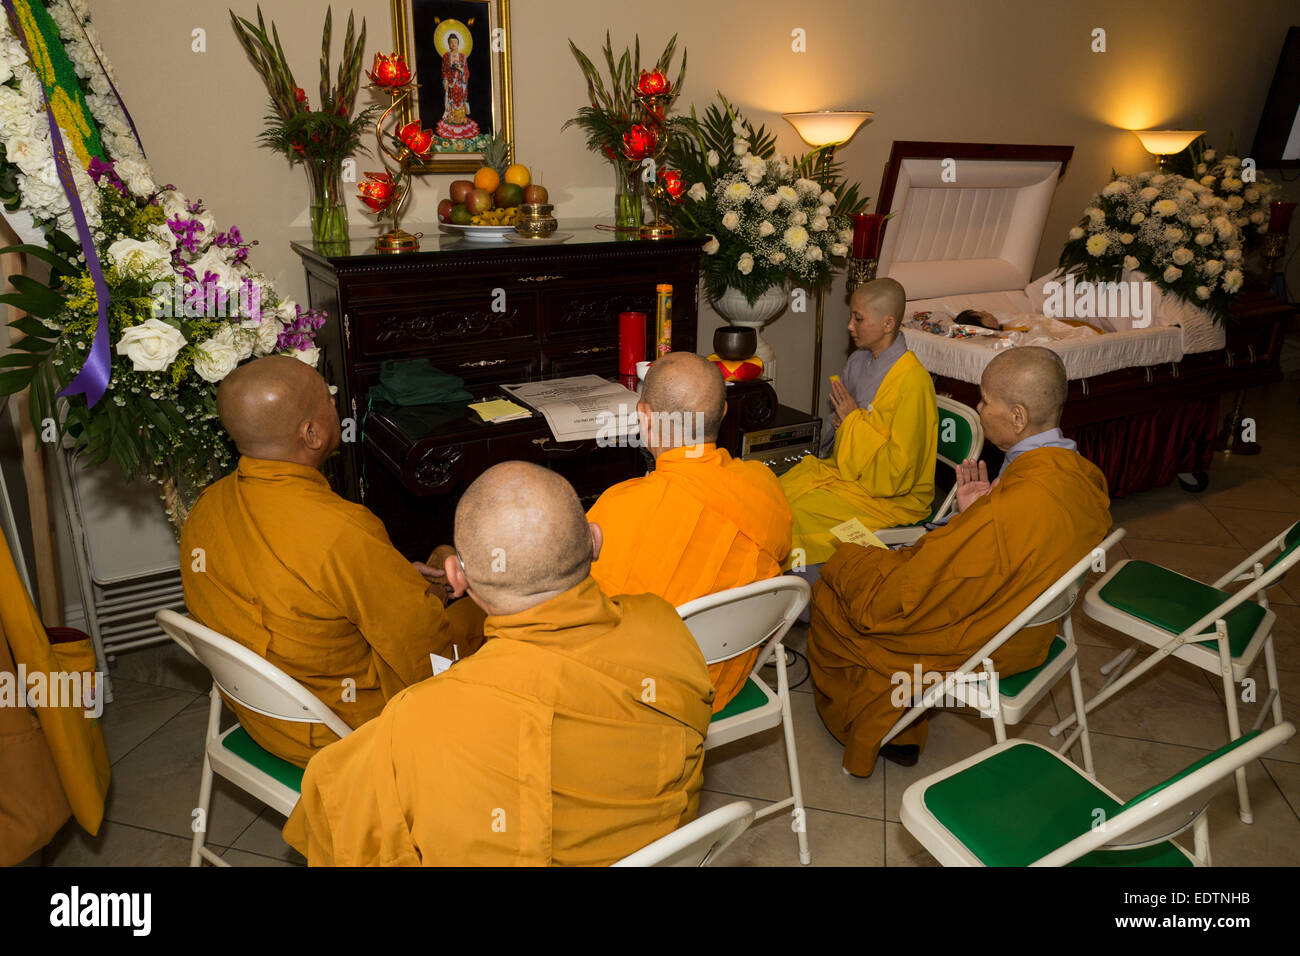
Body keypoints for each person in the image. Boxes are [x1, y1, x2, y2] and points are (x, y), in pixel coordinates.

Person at [282, 462, 714, 865]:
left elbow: (330, 814)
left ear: (457, 577)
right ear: (595, 541)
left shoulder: (419, 719)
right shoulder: (664, 625)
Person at [808, 346, 1111, 777]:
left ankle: (888, 731)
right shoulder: (1078, 473)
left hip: (993, 642)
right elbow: (1006, 549)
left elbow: (918, 595)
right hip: (1034, 628)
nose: (979, 408)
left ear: (1019, 417)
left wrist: (866, 560)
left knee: (839, 582)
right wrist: (973, 517)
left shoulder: (1022, 501)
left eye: (985, 400)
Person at [179, 356, 484, 767]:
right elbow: (424, 649)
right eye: (329, 398)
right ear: (312, 433)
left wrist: (391, 577)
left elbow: (294, 592)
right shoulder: (342, 531)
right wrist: (451, 567)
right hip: (341, 731)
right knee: (491, 609)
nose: (335, 404)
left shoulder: (206, 505)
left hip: (264, 716)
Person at [587, 352, 792, 713]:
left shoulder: (616, 508)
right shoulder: (763, 486)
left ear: (645, 417)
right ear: (724, 414)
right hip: (727, 675)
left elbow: (584, 618)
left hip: (647, 697)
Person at [780, 278, 938, 567]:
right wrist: (845, 424)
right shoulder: (857, 362)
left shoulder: (913, 382)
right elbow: (840, 430)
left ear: (888, 323)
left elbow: (899, 471)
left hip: (892, 496)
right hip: (849, 474)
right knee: (776, 492)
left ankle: (797, 588)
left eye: (858, 318)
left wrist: (852, 420)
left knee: (798, 512)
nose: (850, 326)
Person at [436, 31, 479, 140]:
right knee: (450, 100)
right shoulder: (446, 56)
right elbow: (444, 70)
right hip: (451, 84)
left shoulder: (463, 57)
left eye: (455, 42)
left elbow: (467, 71)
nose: (453, 44)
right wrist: (445, 80)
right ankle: (451, 119)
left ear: (458, 43)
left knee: (460, 100)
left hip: (460, 84)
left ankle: (460, 119)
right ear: (448, 44)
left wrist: (461, 70)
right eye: (451, 42)